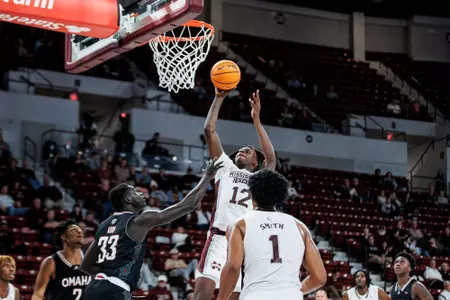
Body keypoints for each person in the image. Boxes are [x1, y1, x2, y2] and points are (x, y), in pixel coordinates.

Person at [80, 158, 223, 300]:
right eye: (135, 192)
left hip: (93, 288)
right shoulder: (139, 220)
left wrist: (108, 276)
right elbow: (187, 205)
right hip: (116, 289)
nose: (141, 192)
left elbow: (86, 265)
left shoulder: (104, 226)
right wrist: (207, 177)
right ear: (128, 200)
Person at [195, 88, 276, 300]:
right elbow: (209, 130)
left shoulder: (260, 178)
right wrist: (218, 98)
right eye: (240, 149)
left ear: (255, 162)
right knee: (201, 294)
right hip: (219, 238)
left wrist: (256, 119)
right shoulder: (225, 168)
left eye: (248, 150)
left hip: (242, 246)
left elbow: (271, 157)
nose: (242, 150)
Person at [217, 169, 326, 300]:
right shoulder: (300, 227)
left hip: (256, 295)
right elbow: (320, 277)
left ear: (251, 194)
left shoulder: (240, 225)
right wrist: (293, 291)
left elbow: (233, 267)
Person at [32, 221, 91, 300]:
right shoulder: (51, 262)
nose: (79, 232)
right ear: (64, 237)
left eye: (79, 230)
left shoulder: (90, 258)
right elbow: (38, 295)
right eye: (74, 230)